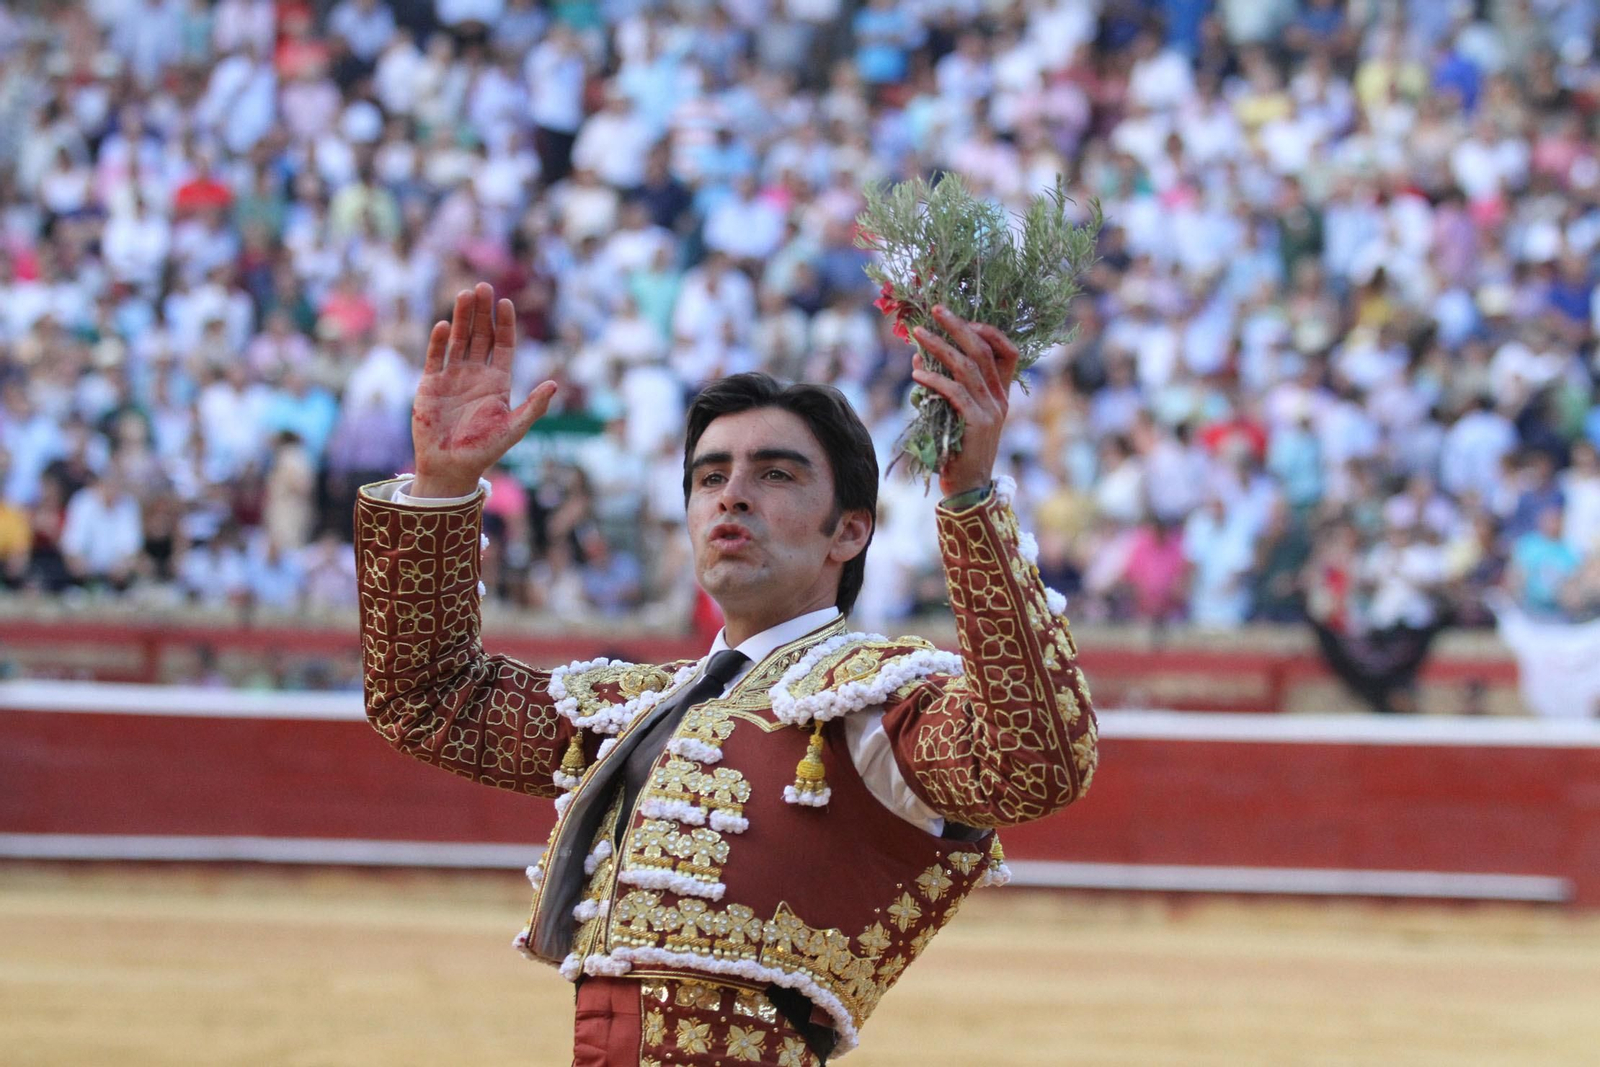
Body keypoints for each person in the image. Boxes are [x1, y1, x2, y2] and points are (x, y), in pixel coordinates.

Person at [355, 283, 1097, 1065]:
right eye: (709, 477)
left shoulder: (873, 701)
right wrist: (440, 487)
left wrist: (972, 496)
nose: (732, 493)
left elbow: (1034, 763)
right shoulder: (638, 709)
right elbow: (426, 697)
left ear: (849, 530)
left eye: (775, 474)